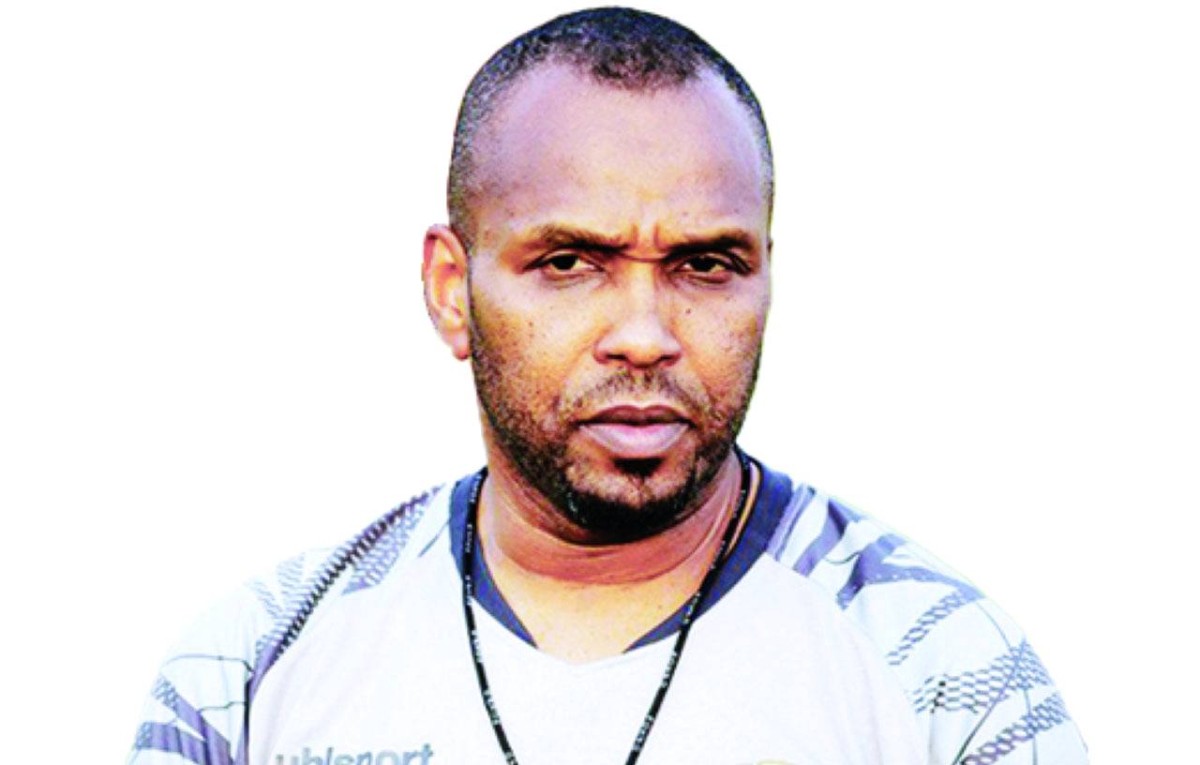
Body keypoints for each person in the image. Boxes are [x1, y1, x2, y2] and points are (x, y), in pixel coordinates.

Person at [129, 8, 1088, 765]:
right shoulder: (251, 670)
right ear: (452, 290)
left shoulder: (942, 669)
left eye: (705, 264)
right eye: (570, 263)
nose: (644, 336)